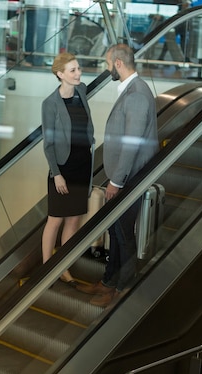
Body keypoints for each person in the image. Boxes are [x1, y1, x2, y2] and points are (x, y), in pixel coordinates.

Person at [76, 43, 159, 307]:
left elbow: (132, 143)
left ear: (118, 64)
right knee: (115, 232)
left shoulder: (136, 94)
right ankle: (109, 283)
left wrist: (117, 181)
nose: (106, 67)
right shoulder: (132, 90)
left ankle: (122, 292)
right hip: (126, 177)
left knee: (123, 236)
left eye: (107, 63)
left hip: (130, 179)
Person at [41, 52, 95, 286]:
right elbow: (48, 143)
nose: (78, 74)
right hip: (63, 168)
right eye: (72, 70)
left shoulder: (81, 91)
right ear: (60, 74)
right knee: (55, 219)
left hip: (83, 164)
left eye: (78, 69)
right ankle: (46, 268)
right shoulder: (50, 103)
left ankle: (63, 268)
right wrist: (57, 175)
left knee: (74, 220)